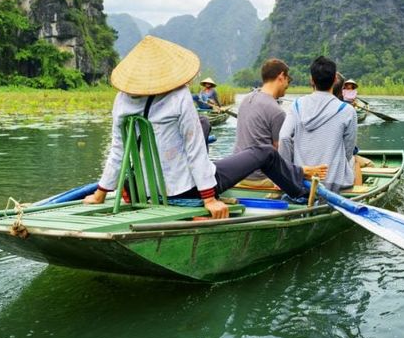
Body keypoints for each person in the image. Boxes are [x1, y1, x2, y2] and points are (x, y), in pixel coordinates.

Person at [83, 36, 327, 218]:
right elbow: (194, 150)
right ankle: (298, 187)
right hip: (183, 191)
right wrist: (209, 199)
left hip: (140, 190)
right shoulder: (179, 97)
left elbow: (117, 150)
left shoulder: (122, 100)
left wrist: (100, 193)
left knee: (204, 122)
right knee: (265, 152)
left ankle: (297, 172)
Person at [279, 56, 357, 192]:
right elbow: (348, 150)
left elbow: (284, 137)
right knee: (354, 160)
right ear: (334, 80)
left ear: (312, 80)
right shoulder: (347, 110)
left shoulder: (296, 105)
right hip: (333, 183)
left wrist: (288, 173)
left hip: (302, 180)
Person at [233, 59, 292, 186]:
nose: (287, 85)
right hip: (259, 178)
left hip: (237, 172)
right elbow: (278, 152)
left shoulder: (246, 100)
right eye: (288, 80)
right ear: (281, 77)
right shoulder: (277, 112)